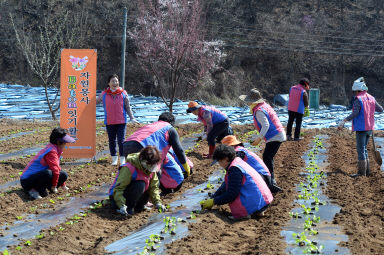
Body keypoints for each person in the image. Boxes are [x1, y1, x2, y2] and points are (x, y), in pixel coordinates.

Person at [200, 145, 273, 220]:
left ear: (225, 159)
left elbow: (231, 194)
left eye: (219, 161)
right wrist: (213, 197)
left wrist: (214, 201)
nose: (219, 164)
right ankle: (257, 211)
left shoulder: (235, 170)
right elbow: (225, 185)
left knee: (233, 193)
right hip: (264, 200)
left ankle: (244, 214)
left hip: (259, 202)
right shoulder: (237, 162)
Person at [239, 88, 286, 190]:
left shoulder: (259, 111)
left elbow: (266, 125)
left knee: (267, 157)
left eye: (248, 101)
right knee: (268, 157)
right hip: (278, 134)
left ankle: (271, 182)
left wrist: (259, 139)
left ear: (252, 101)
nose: (247, 103)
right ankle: (270, 181)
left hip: (275, 135)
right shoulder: (264, 106)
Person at [338, 77, 383, 177]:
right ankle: (367, 172)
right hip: (370, 128)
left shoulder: (358, 99)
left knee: (361, 150)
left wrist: (344, 120)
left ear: (358, 90)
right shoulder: (371, 98)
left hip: (361, 128)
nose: (355, 93)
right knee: (365, 149)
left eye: (355, 91)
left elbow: (355, 113)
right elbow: (380, 109)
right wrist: (370, 110)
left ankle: (361, 173)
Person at [123, 112, 191, 177]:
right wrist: (186, 167)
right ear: (172, 123)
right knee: (154, 175)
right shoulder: (169, 128)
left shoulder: (151, 125)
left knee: (133, 172)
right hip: (142, 147)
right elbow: (179, 150)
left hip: (126, 145)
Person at [109, 146, 167, 216]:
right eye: (150, 165)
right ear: (143, 161)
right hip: (117, 198)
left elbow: (153, 187)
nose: (152, 168)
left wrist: (157, 202)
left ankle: (140, 207)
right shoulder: (129, 168)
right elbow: (118, 189)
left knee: (149, 183)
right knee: (140, 184)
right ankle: (128, 208)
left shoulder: (150, 168)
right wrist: (121, 205)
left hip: (133, 195)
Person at [20, 128, 74, 200]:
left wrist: (63, 184)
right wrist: (54, 186)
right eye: (64, 142)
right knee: (48, 173)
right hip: (27, 181)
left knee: (63, 174)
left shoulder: (55, 149)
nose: (65, 144)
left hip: (38, 176)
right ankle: (33, 190)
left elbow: (57, 168)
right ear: (58, 142)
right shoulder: (51, 151)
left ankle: (45, 188)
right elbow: (55, 170)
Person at [96, 74, 138, 166]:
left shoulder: (123, 93)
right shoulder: (104, 94)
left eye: (116, 81)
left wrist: (132, 118)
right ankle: (114, 159)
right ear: (108, 83)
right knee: (111, 140)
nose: (115, 83)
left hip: (121, 121)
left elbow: (127, 107)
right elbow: (95, 101)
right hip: (109, 122)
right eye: (113, 81)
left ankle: (122, 159)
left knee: (121, 140)